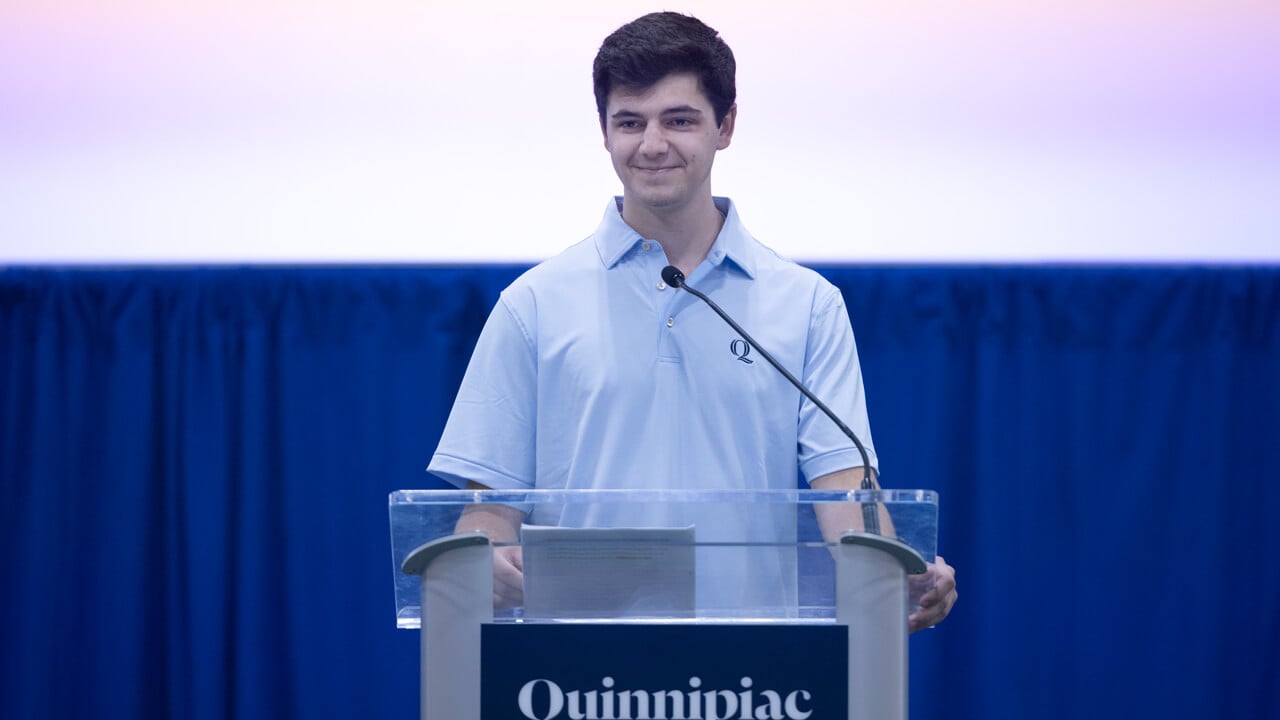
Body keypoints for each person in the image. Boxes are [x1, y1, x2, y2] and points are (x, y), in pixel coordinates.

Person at [428, 11, 956, 630]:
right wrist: (485, 562)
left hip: (755, 678)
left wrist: (897, 576)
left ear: (725, 126)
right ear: (604, 132)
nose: (652, 144)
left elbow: (847, 498)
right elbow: (490, 514)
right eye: (630, 122)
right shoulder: (534, 304)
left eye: (678, 120)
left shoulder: (807, 304)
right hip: (577, 674)